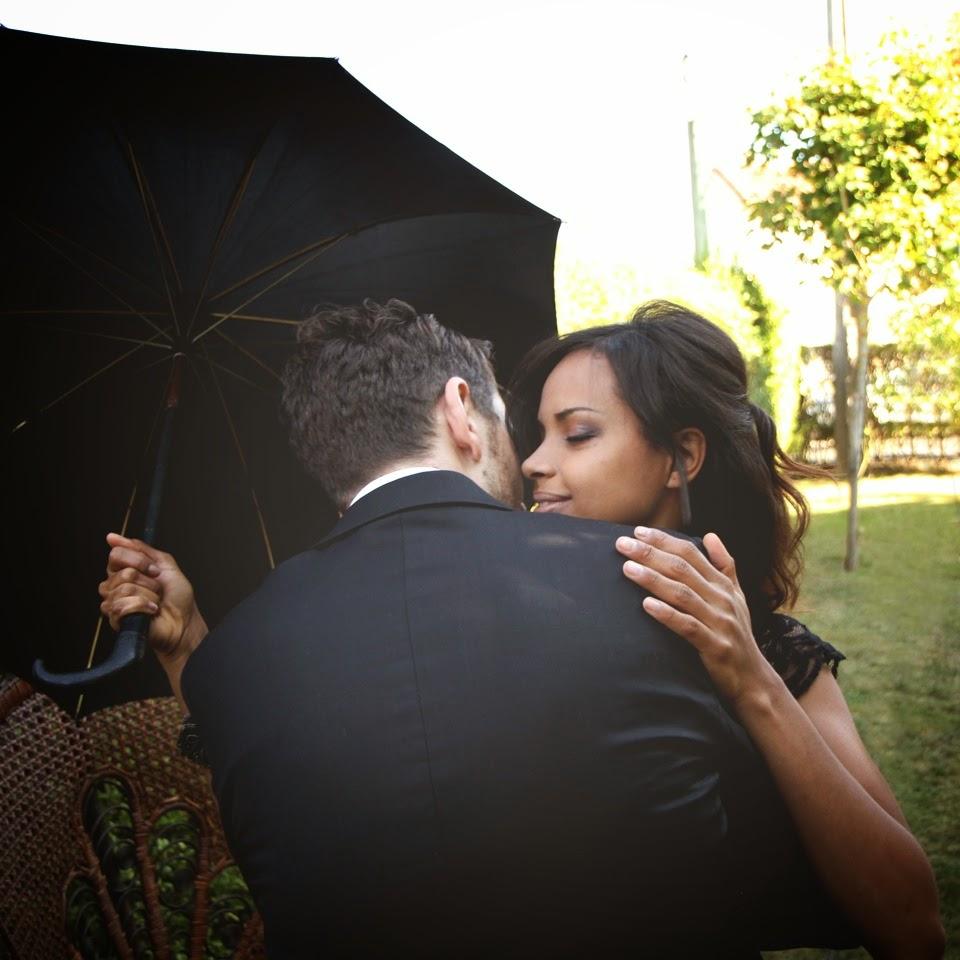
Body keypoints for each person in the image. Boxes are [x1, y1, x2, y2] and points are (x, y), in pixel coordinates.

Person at [100, 299, 859, 958]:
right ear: (462, 411)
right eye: (517, 423)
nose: (529, 460)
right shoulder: (648, 605)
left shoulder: (245, 650)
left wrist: (200, 651)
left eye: (576, 434)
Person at [507, 300, 944, 960]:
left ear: (680, 455)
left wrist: (752, 683)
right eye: (537, 435)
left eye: (577, 434)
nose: (534, 463)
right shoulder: (515, 632)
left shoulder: (772, 652)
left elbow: (913, 927)